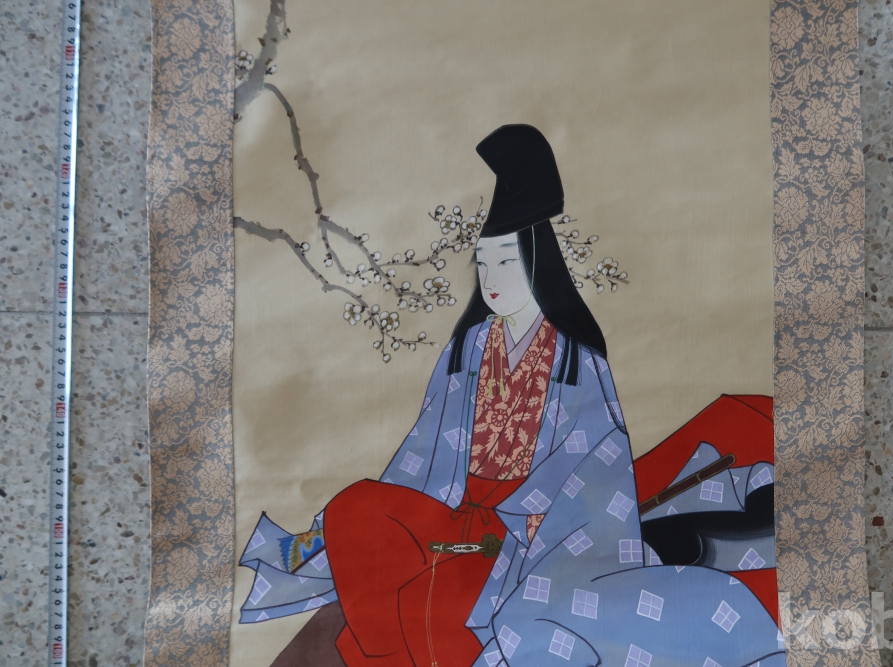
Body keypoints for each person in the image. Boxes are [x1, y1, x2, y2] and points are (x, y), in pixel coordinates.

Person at [239, 125, 786, 667]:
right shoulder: (469, 347)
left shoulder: (576, 360)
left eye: (504, 261)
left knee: (456, 580)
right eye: (482, 263)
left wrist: (529, 512)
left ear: (537, 261)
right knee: (355, 508)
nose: (491, 278)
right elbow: (424, 446)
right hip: (450, 513)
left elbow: (597, 452)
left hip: (520, 525)